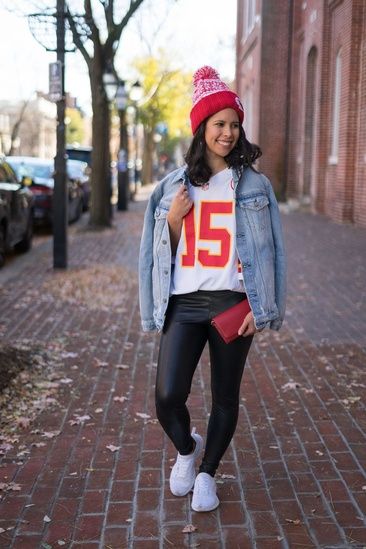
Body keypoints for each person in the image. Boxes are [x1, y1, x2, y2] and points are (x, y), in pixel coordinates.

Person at [139, 66, 286, 512]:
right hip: (184, 303)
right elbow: (154, 254)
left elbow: (273, 253)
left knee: (225, 396)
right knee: (167, 397)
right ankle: (187, 449)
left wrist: (261, 309)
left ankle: (207, 472)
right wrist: (173, 221)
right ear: (201, 128)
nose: (227, 133)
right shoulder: (171, 188)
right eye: (219, 124)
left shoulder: (256, 186)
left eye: (234, 124)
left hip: (231, 304)